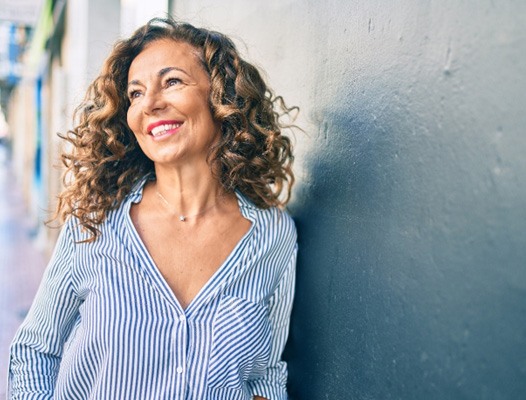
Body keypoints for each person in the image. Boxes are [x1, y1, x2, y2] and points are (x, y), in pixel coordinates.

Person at [8, 17, 297, 400]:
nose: (151, 104)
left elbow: (265, 376)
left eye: (172, 81)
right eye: (135, 94)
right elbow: (34, 351)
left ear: (222, 97)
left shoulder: (271, 236)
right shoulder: (94, 223)